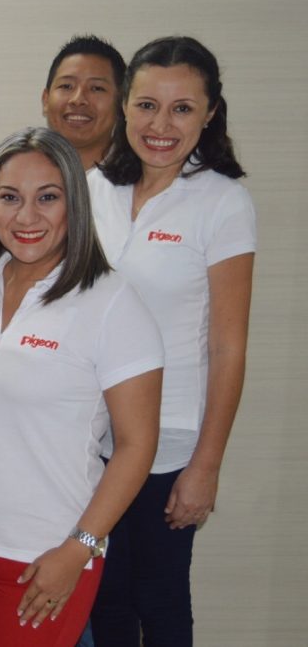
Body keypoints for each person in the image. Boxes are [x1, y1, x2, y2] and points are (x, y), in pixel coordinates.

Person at [0, 127, 163, 647]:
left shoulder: (112, 302)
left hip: (43, 554)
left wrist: (80, 547)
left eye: (48, 197)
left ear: (73, 204)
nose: (27, 216)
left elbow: (136, 445)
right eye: (10, 197)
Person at [86, 36, 256, 647]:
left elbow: (229, 346)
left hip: (169, 442)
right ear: (125, 107)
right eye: (146, 105)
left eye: (182, 108)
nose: (160, 125)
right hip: (89, 440)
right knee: (103, 602)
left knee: (158, 604)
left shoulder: (223, 202)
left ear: (210, 114)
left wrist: (206, 465)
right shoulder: (92, 189)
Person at [42, 36, 126, 171]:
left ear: (121, 104)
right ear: (45, 100)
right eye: (66, 86)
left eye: (96, 88)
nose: (78, 100)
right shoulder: (19, 173)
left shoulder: (142, 180)